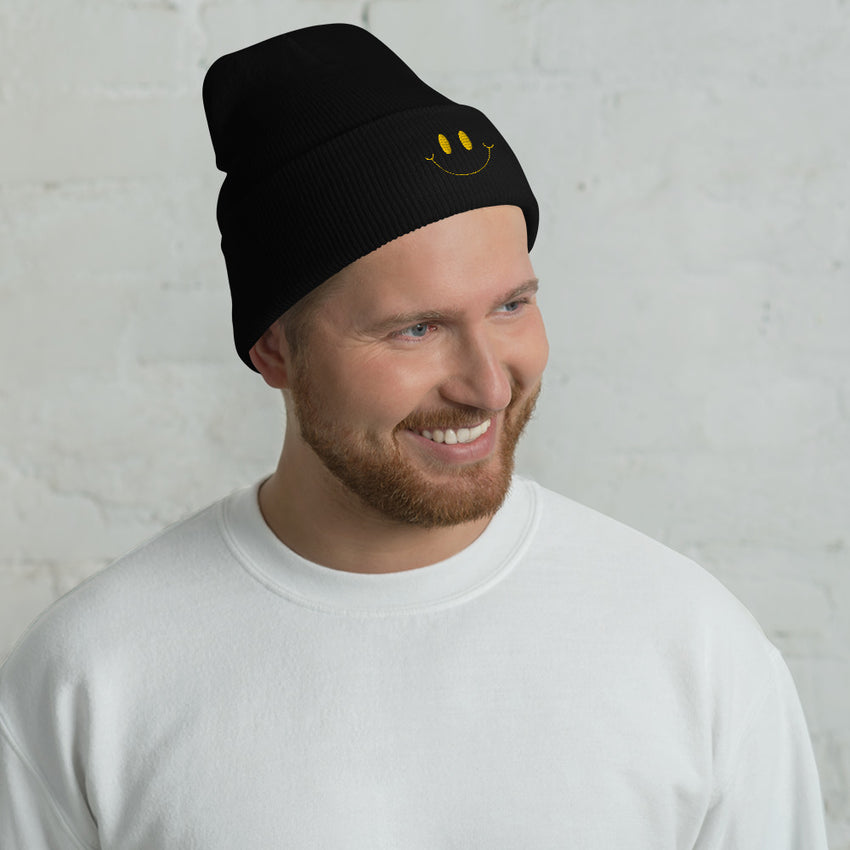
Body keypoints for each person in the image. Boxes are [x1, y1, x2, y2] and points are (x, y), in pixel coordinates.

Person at [0, 23, 828, 849]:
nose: (489, 385)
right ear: (274, 349)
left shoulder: (695, 647)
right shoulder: (91, 678)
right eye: (416, 329)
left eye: (511, 306)